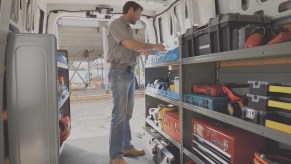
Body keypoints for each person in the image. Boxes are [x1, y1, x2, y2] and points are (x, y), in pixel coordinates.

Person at [107, 1, 165, 164]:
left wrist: (140, 53)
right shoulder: (117, 24)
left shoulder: (127, 28)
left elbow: (127, 50)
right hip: (119, 73)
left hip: (128, 72)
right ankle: (115, 156)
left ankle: (126, 146)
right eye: (138, 14)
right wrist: (154, 45)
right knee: (118, 115)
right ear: (130, 10)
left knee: (126, 114)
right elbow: (129, 44)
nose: (139, 17)